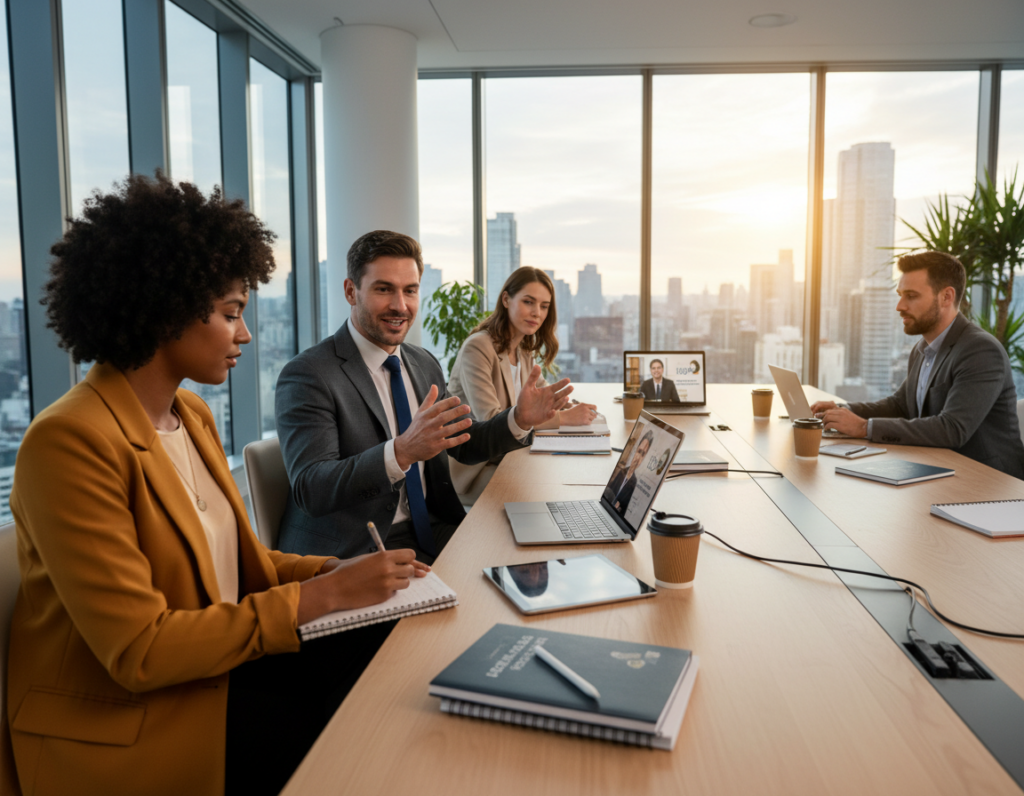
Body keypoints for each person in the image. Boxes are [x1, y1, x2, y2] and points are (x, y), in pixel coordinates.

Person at [7, 175, 430, 796]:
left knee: (399, 669)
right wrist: (323, 598)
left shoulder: (191, 416)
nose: (246, 333)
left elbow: (239, 566)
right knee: (369, 738)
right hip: (132, 723)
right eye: (231, 312)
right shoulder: (68, 442)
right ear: (163, 306)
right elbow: (140, 649)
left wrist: (335, 576)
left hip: (215, 670)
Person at [275, 231, 572, 565]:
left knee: (532, 561)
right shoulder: (309, 374)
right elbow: (312, 488)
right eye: (383, 289)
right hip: (357, 551)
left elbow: (465, 442)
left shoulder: (422, 363)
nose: (399, 306)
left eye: (410, 290)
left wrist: (519, 419)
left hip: (433, 529)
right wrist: (400, 452)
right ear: (350, 291)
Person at [811, 251, 1024, 479]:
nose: (900, 306)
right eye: (900, 295)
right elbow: (900, 406)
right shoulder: (922, 349)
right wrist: (843, 410)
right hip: (939, 470)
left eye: (911, 296)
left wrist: (864, 427)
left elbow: (952, 429)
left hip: (990, 483)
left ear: (946, 297)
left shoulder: (980, 350)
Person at [447, 266, 598, 501]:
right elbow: (492, 423)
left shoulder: (524, 351)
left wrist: (572, 406)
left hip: (514, 457)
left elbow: (543, 400)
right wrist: (566, 418)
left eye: (544, 306)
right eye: (529, 302)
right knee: (545, 494)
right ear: (506, 299)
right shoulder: (478, 348)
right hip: (477, 470)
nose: (537, 312)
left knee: (571, 482)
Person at [604, 429, 654, 516]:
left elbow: (626, 512)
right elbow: (608, 492)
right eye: (639, 451)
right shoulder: (622, 472)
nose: (638, 458)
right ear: (635, 451)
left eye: (642, 454)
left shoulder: (634, 483)